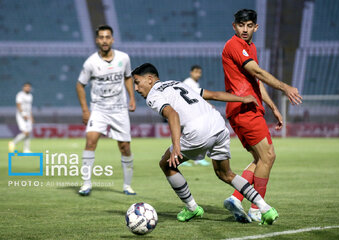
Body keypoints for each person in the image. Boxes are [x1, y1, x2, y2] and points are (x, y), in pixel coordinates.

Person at [132, 63, 279, 225]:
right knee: (225, 173)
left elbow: (172, 114)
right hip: (217, 124)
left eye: (137, 82)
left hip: (196, 131)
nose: (136, 88)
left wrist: (176, 147)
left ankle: (192, 208)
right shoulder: (178, 83)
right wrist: (242, 99)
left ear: (150, 79)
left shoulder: (153, 95)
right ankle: (264, 208)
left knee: (166, 164)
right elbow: (214, 95)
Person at [222, 9, 302, 222]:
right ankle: (257, 208)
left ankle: (236, 197)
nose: (245, 29)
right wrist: (285, 87)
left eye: (249, 25)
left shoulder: (250, 48)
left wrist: (273, 106)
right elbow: (257, 73)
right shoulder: (235, 46)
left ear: (256, 27)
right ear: (234, 26)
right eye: (241, 25)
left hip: (245, 109)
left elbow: (254, 81)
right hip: (245, 109)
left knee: (259, 159)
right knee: (268, 156)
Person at [76, 25, 136, 196]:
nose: (104, 40)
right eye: (101, 37)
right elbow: (80, 85)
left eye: (107, 37)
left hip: (119, 109)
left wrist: (132, 98)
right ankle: (86, 184)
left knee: (124, 147)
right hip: (99, 109)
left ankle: (127, 186)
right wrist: (85, 110)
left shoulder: (124, 58)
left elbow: (127, 77)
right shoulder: (90, 62)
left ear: (112, 39)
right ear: (97, 40)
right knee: (90, 140)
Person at [182, 65, 210, 167]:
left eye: (199, 72)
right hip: (189, 114)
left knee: (193, 136)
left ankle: (195, 159)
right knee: (195, 136)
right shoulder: (189, 83)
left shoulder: (193, 83)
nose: (198, 74)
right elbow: (198, 97)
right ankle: (194, 159)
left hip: (191, 113)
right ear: (191, 72)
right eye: (196, 72)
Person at [8, 82, 34, 153]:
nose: (28, 88)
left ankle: (26, 149)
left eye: (29, 87)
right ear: (23, 87)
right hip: (21, 115)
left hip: (28, 115)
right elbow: (18, 105)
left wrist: (31, 116)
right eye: (26, 87)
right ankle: (13, 142)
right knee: (25, 132)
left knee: (28, 132)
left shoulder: (30, 96)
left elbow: (29, 107)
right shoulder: (20, 95)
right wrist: (23, 114)